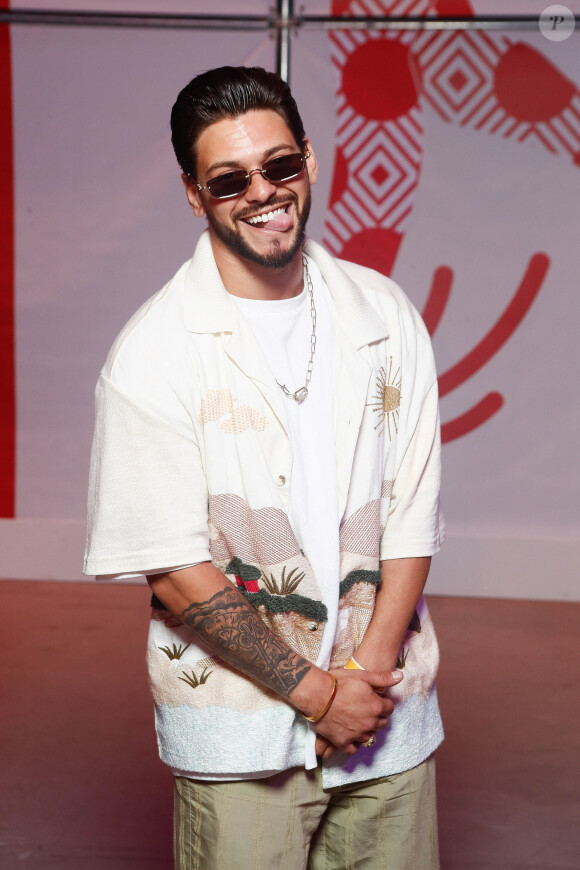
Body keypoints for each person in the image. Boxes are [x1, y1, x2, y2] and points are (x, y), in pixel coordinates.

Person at [84, 65, 444, 870]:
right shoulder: (152, 355)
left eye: (279, 166)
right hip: (238, 737)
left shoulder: (383, 315)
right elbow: (175, 570)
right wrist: (318, 695)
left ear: (309, 162)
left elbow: (412, 510)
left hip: (386, 721)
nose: (264, 192)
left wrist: (366, 679)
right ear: (193, 192)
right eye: (229, 179)